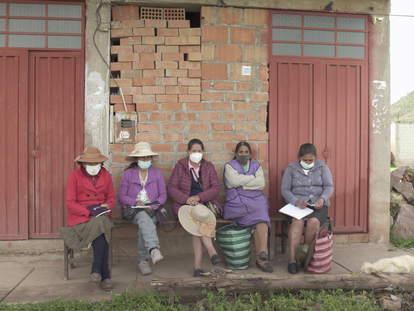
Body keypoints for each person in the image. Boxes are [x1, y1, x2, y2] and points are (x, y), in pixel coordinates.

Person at [59, 147, 116, 291]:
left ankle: (96, 270)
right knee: (102, 227)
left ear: (101, 163)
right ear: (83, 164)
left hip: (102, 214)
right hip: (81, 219)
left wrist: (107, 206)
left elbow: (111, 197)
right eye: (89, 164)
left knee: (101, 222)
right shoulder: (74, 176)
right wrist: (88, 212)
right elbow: (70, 203)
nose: (93, 167)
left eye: (96, 163)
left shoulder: (106, 175)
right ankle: (105, 273)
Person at [168, 138, 222, 277]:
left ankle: (198, 266)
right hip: (184, 204)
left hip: (204, 203)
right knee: (195, 219)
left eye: (199, 151)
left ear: (203, 152)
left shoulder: (208, 166)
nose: (196, 153)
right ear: (188, 152)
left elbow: (216, 188)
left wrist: (199, 197)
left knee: (199, 219)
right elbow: (172, 188)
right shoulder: (180, 166)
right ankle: (211, 251)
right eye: (194, 151)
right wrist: (187, 200)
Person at [281, 143, 334, 274]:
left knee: (313, 222)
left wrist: (322, 199)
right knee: (297, 221)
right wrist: (295, 201)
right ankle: (292, 259)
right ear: (299, 157)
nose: (308, 162)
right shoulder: (291, 168)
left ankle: (306, 256)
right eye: (305, 160)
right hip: (297, 206)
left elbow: (329, 186)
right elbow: (285, 189)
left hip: (318, 205)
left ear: (315, 158)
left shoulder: (322, 167)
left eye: (311, 160)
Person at [223, 141, 273, 273]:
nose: (243, 155)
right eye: (241, 152)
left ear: (250, 154)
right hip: (236, 202)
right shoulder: (230, 166)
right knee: (258, 213)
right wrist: (251, 179)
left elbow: (261, 184)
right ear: (236, 154)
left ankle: (262, 255)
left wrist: (242, 183)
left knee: (261, 214)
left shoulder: (256, 165)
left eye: (246, 152)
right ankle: (262, 257)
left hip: (256, 200)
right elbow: (233, 181)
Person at [118, 142, 167, 276]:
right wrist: (135, 202)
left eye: (148, 158)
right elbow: (121, 196)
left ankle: (142, 261)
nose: (145, 160)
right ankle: (154, 249)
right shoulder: (128, 174)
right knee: (143, 217)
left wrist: (154, 205)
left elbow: (163, 195)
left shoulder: (157, 173)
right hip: (133, 210)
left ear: (151, 159)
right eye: (142, 158)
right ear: (136, 159)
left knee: (145, 225)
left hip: (152, 209)